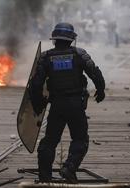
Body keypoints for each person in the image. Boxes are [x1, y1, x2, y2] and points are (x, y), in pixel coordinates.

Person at [29, 22, 105, 183]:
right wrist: (101, 90)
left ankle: (45, 177)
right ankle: (69, 168)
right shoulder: (79, 54)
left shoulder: (46, 57)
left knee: (49, 141)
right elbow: (95, 72)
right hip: (76, 105)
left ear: (55, 40)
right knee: (80, 139)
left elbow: (35, 84)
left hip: (57, 105)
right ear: (71, 40)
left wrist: (38, 104)